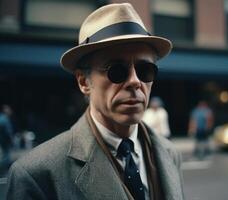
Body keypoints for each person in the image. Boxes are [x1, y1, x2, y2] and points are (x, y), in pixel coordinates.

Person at [6, 3, 184, 200]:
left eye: (145, 70)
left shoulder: (169, 154)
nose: (134, 81)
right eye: (116, 70)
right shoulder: (37, 175)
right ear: (84, 82)